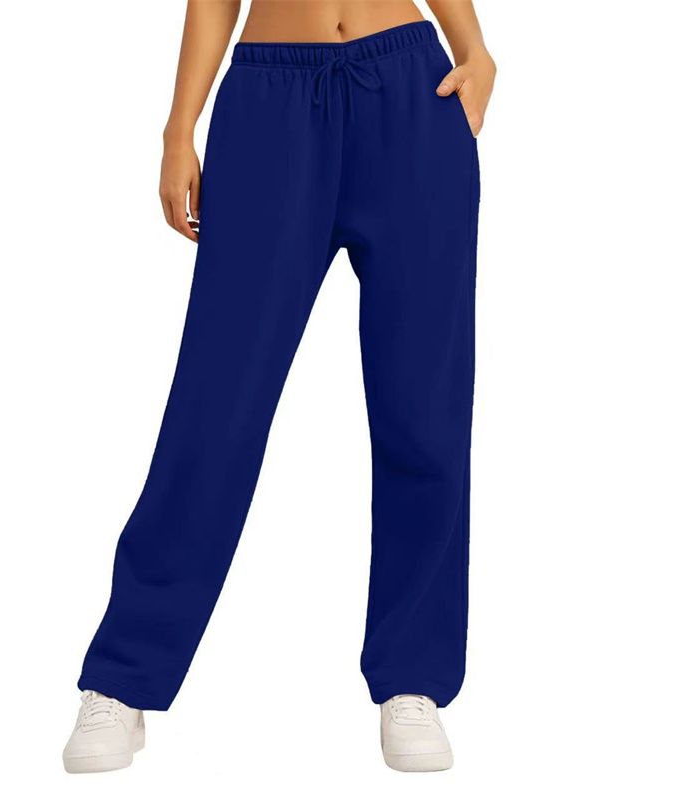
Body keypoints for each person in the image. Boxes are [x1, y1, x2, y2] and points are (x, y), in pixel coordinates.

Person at [63, 0, 495, 773]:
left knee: (423, 404)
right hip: (270, 103)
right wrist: (178, 129)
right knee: (215, 407)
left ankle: (414, 680)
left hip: (410, 91)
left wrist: (475, 50)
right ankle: (124, 677)